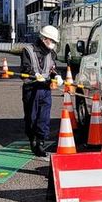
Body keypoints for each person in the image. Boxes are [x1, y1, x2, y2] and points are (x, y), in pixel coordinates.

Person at [20, 25, 63, 157]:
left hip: (45, 89)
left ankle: (41, 143)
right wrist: (34, 74)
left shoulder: (52, 53)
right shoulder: (28, 50)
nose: (54, 44)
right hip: (31, 89)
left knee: (44, 118)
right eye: (52, 41)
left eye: (55, 42)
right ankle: (32, 138)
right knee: (31, 118)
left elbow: (52, 67)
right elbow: (25, 69)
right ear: (44, 38)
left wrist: (57, 75)